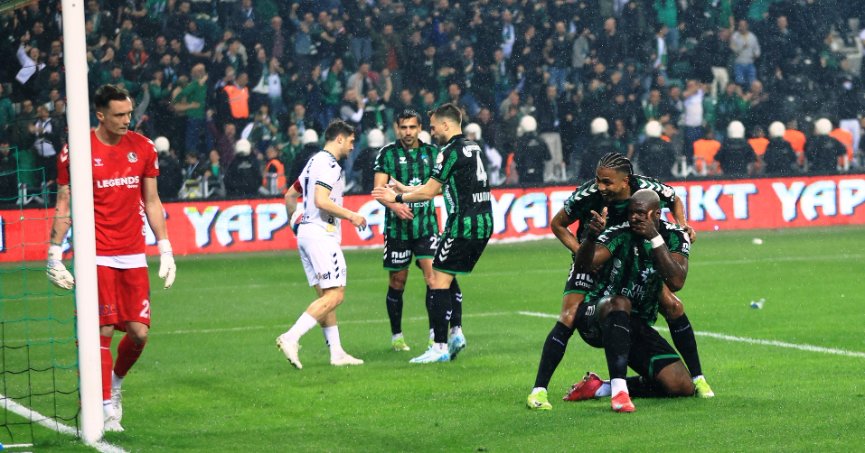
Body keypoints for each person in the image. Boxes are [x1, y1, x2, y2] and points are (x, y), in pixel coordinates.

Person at [526, 153, 712, 411]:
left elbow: (675, 199)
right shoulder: (588, 195)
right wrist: (580, 250)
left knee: (673, 304)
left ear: (626, 181)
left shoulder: (646, 190)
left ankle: (697, 378)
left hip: (633, 249)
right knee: (569, 314)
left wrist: (683, 225)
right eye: (598, 180)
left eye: (607, 182)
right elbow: (558, 224)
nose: (600, 187)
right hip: (592, 253)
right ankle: (538, 391)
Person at [45, 84, 176, 432]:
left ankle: (115, 383)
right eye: (119, 115)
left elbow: (151, 200)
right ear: (100, 115)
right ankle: (103, 407)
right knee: (101, 329)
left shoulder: (143, 147)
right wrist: (54, 254)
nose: (126, 120)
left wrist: (165, 247)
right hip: (96, 254)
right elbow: (64, 201)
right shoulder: (77, 150)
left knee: (139, 333)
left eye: (129, 113)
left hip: (133, 253)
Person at [373, 103, 493, 364]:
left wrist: (398, 197)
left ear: (446, 125)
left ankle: (439, 347)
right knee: (443, 276)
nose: (433, 131)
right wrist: (406, 188)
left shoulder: (447, 152)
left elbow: (428, 192)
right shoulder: (473, 147)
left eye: (434, 126)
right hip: (482, 222)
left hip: (462, 225)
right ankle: (455, 333)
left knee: (438, 281)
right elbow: (441, 186)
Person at [562, 189, 696, 412]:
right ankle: (619, 393)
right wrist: (591, 237)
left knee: (682, 386)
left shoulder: (673, 235)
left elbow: (676, 282)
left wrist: (654, 237)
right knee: (620, 303)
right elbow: (585, 265)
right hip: (599, 315)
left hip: (635, 323)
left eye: (641, 213)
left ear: (656, 214)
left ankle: (601, 387)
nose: (634, 217)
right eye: (632, 212)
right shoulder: (619, 233)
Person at [276, 120, 367, 370]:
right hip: (322, 235)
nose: (352, 147)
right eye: (351, 141)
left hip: (306, 234)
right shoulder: (329, 165)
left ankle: (336, 353)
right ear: (339, 139)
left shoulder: (313, 161)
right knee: (336, 295)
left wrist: (296, 225)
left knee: (327, 297)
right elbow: (321, 200)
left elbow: (290, 195)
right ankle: (291, 337)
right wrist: (351, 216)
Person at [373, 109, 460, 352]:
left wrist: (420, 193)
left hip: (427, 226)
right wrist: (395, 206)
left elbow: (443, 186)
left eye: (412, 127)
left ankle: (434, 334)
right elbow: (379, 190)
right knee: (397, 281)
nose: (408, 132)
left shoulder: (433, 153)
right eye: (403, 127)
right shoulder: (387, 154)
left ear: (420, 128)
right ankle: (397, 336)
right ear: (396, 128)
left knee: (433, 279)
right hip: (397, 229)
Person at [513, 115, 551, 185]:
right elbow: (548, 157)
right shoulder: (540, 141)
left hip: (524, 175)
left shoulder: (520, 141)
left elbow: (516, 158)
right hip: (538, 174)